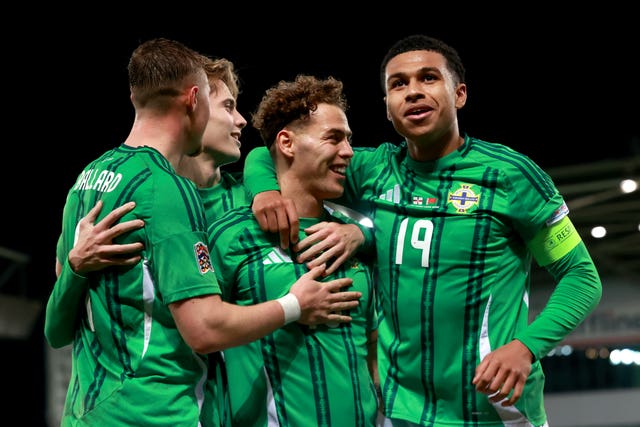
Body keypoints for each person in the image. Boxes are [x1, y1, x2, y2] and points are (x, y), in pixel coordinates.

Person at [242, 34, 603, 426]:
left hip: (495, 410)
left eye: (428, 78)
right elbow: (270, 150)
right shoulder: (373, 169)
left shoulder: (510, 175)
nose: (412, 92)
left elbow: (582, 277)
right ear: (386, 107)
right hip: (405, 412)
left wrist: (526, 347)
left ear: (459, 94)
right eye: (398, 84)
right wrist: (264, 191)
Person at [44, 38, 361, 427]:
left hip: (89, 409)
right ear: (195, 102)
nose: (241, 119)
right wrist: (295, 305)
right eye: (226, 106)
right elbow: (205, 327)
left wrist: (356, 231)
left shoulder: (91, 181)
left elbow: (55, 328)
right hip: (160, 410)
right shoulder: (165, 192)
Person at [207, 74, 379, 426]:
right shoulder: (230, 234)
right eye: (333, 138)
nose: (348, 151)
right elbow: (201, 333)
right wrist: (291, 307)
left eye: (348, 140)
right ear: (287, 143)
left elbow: (372, 348)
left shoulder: (351, 235)